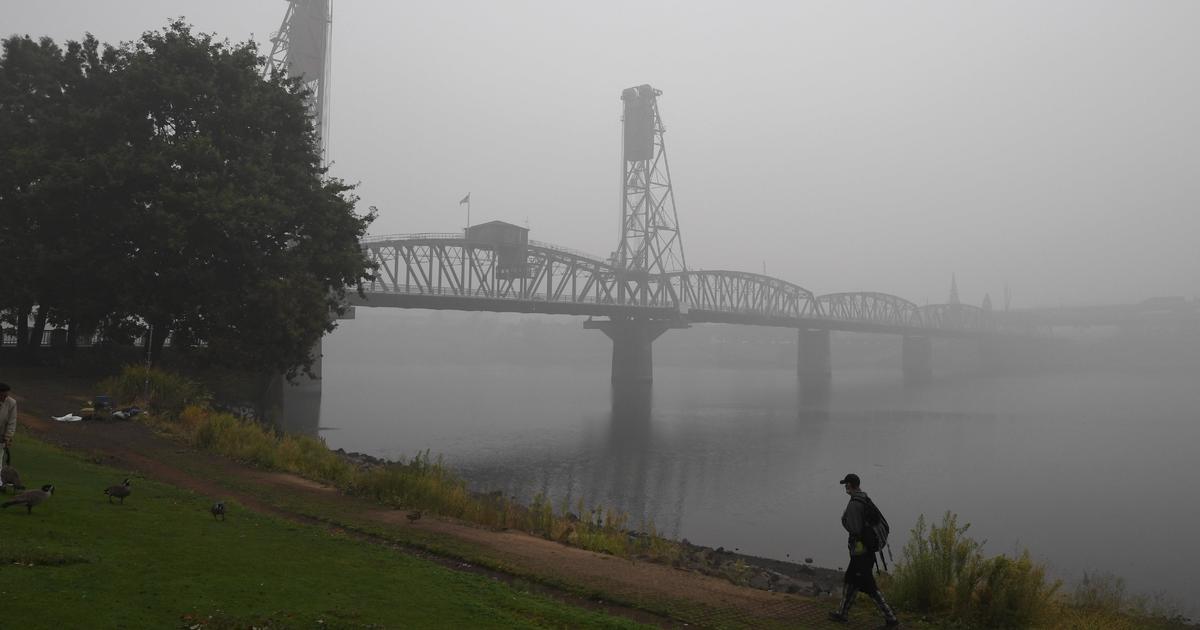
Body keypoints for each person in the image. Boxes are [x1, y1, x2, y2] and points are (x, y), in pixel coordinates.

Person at [829, 473, 899, 626]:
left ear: (850, 485)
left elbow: (854, 528)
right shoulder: (865, 498)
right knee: (850, 580)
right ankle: (842, 613)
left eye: (846, 484)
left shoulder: (854, 503)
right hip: (865, 551)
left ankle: (891, 618)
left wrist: (844, 521)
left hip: (861, 552)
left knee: (869, 587)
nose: (845, 487)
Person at [0, 383, 15, 469]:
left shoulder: (11, 403)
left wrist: (8, 437)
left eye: (7, 394)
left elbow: (12, 422)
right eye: (3, 395)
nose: (6, 397)